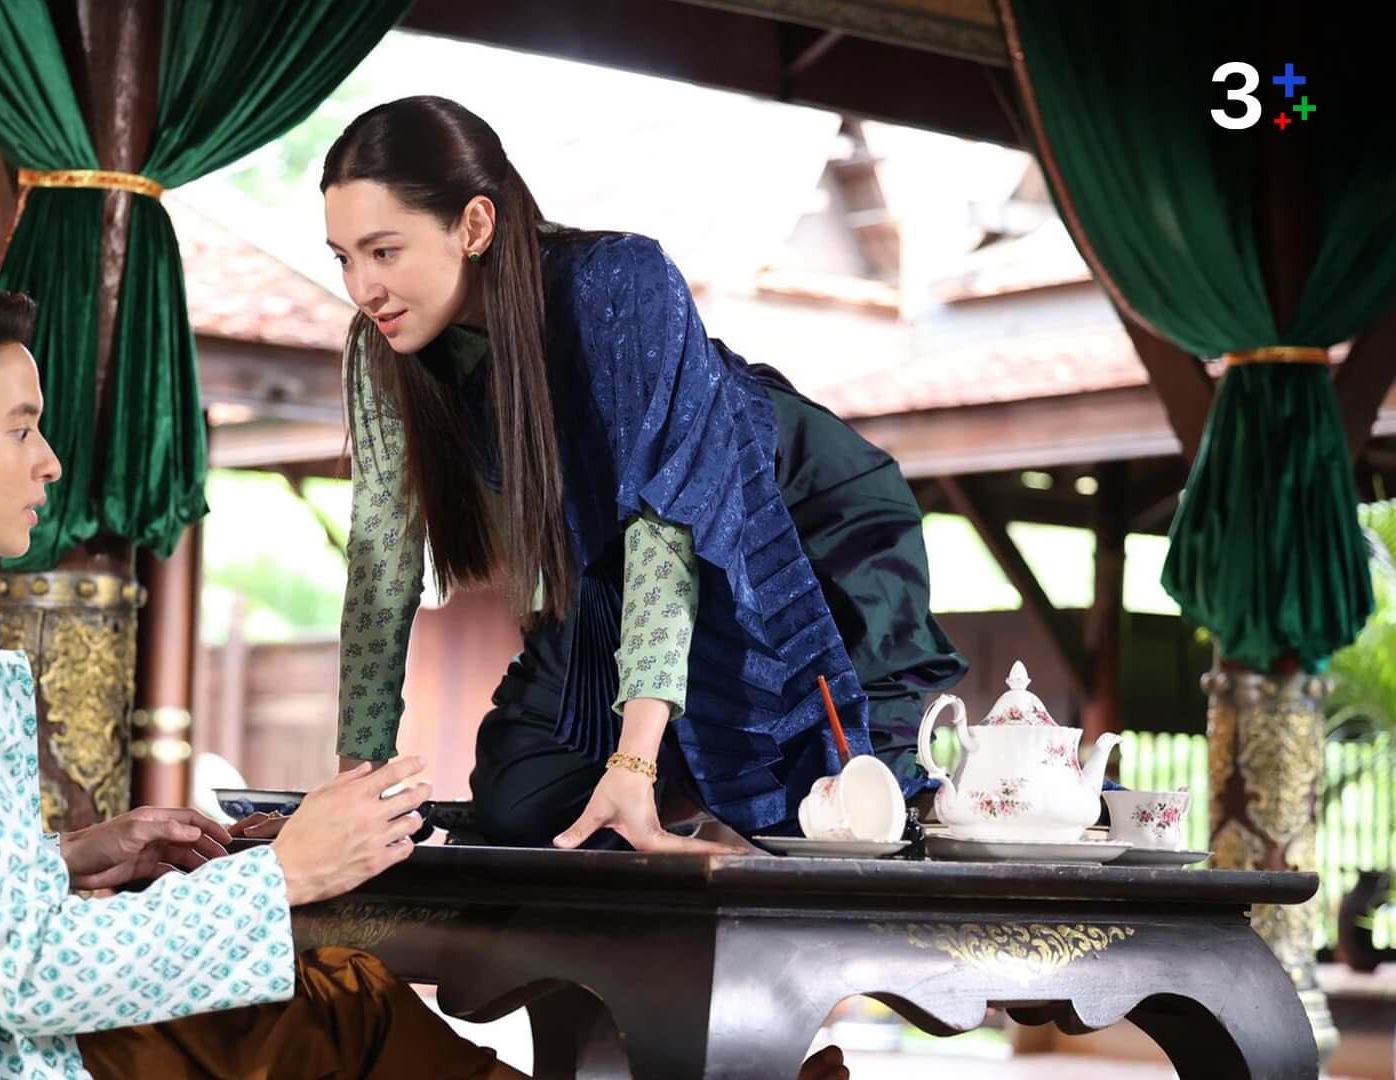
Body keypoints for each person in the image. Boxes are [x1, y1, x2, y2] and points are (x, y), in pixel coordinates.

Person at [0, 282, 527, 1079]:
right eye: (20, 429)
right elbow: (29, 973)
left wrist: (67, 855)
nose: (48, 461)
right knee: (345, 1005)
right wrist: (283, 875)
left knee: (307, 1007)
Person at [325, 95, 967, 854]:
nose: (362, 287)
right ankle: (696, 764)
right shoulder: (381, 351)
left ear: (473, 226)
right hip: (618, 567)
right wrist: (354, 780)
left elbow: (664, 522)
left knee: (847, 805)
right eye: (343, 258)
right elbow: (381, 565)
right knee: (524, 807)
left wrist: (633, 761)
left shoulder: (619, 280)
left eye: (383, 252)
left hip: (795, 521)